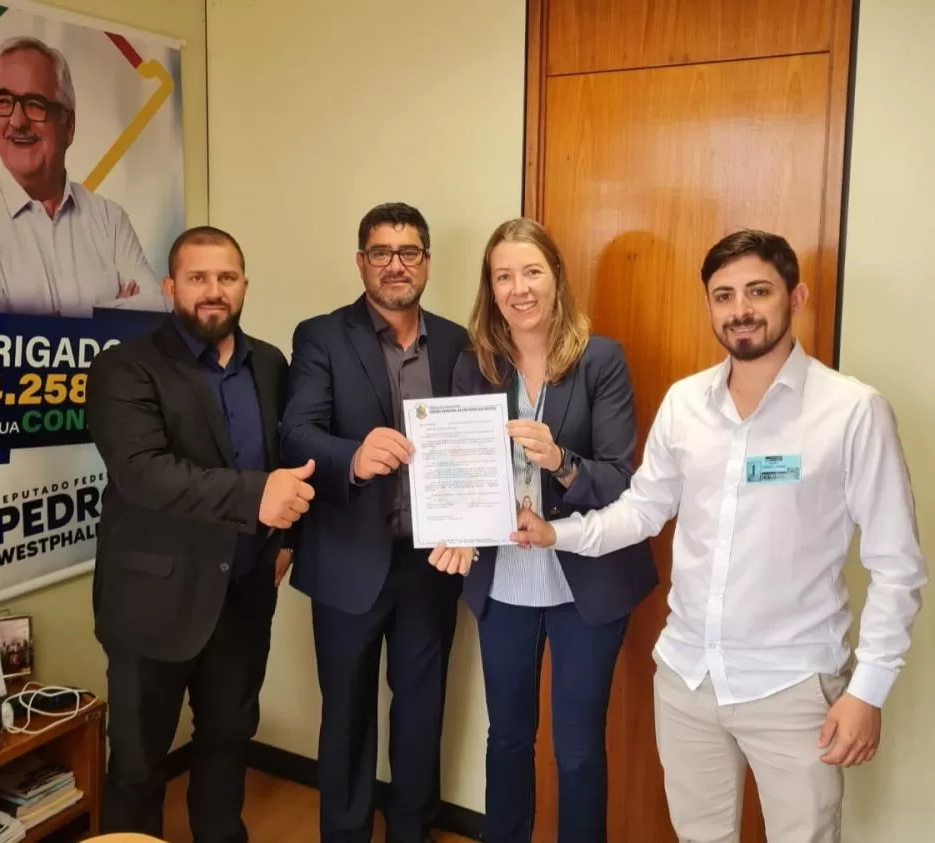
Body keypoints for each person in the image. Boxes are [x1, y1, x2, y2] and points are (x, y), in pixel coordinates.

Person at [512, 229, 929, 843]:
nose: (741, 310)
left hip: (793, 686)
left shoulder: (852, 412)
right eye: (724, 295)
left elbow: (897, 567)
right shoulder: (686, 404)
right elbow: (643, 510)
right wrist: (557, 534)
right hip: (687, 679)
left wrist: (867, 691)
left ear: (796, 297)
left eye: (759, 291)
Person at [85, 225, 315, 842]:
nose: (214, 290)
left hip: (243, 596)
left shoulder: (269, 363)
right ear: (170, 288)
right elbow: (143, 473)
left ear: (244, 285)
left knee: (227, 743)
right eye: (198, 278)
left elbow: (287, 457)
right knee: (137, 767)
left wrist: (286, 541)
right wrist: (257, 496)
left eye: (226, 277)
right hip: (153, 602)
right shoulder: (124, 368)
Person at [440, 218, 657, 843]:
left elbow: (618, 478)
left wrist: (560, 460)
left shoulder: (600, 360)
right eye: (503, 276)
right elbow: (459, 469)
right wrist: (456, 525)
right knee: (507, 738)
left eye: (532, 271)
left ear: (556, 278)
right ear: (490, 288)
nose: (519, 288)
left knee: (579, 747)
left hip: (585, 580)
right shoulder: (474, 365)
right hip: (504, 578)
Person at [280, 202, 468, 843]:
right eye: (381, 252)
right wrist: (353, 458)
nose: (396, 265)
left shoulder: (458, 342)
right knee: (347, 717)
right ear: (361, 262)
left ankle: (411, 832)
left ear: (426, 262)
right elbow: (296, 432)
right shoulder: (321, 336)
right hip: (347, 562)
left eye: (408, 252)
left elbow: (473, 446)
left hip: (431, 564)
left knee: (421, 715)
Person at [0, 35, 163, 316]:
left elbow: (153, 315)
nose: (17, 121)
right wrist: (110, 315)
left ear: (69, 125)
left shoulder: (111, 221)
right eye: (3, 102)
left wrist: (45, 323)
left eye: (35, 104)